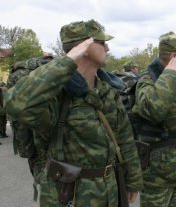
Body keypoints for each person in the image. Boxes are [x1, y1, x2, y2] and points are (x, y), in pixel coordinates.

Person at [4, 19, 143, 206]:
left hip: (110, 190)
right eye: (101, 43)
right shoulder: (58, 94)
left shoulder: (106, 89)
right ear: (84, 46)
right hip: (70, 194)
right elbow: (15, 103)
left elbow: (124, 137)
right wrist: (68, 61)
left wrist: (133, 180)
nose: (108, 48)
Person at [132, 31, 176, 207]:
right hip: (156, 171)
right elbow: (155, 110)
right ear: (175, 57)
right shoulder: (146, 82)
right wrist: (170, 75)